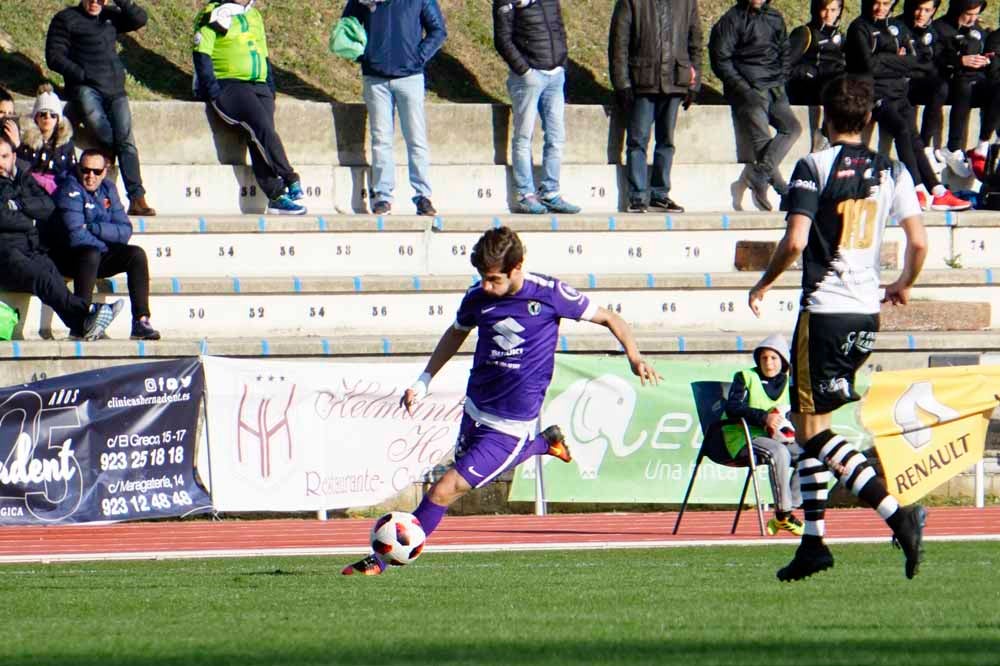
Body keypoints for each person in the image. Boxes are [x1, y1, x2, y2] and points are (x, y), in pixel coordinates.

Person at [342, 226, 661, 575]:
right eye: (482, 277)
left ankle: (382, 562)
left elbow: (610, 317)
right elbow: (456, 333)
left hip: (511, 424)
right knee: (452, 486)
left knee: (442, 491)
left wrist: (634, 356)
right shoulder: (477, 296)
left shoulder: (551, 294)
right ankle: (543, 443)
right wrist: (424, 380)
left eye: (494, 279)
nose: (486, 286)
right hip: (475, 407)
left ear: (518, 266)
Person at [748, 76, 928, 581]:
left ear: (823, 119)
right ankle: (813, 543)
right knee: (815, 426)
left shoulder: (814, 165)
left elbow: (796, 241)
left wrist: (763, 284)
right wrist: (903, 285)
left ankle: (897, 512)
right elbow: (918, 245)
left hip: (824, 310)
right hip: (865, 313)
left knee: (808, 429)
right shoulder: (893, 169)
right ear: (869, 121)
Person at [845, 0, 971, 211]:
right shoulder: (859, 27)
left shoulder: (894, 27)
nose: (880, 8)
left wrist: (888, 60)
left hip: (898, 92)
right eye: (876, 3)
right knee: (902, 130)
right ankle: (916, 188)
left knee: (915, 139)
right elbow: (869, 65)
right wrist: (895, 60)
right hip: (873, 93)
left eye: (886, 3)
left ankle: (938, 191)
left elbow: (919, 61)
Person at [0, 135, 123, 341]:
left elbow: (47, 205)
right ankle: (89, 313)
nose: (0, 163)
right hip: (5, 253)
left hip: (32, 247)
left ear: (13, 156)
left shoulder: (23, 177)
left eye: (3, 156)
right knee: (43, 278)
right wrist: (31, 220)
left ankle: (81, 325)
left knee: (53, 277)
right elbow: (2, 217)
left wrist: (20, 206)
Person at [192, 0, 307, 216]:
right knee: (261, 127)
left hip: (259, 85)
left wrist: (270, 88)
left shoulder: (254, 15)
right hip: (230, 83)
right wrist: (212, 89)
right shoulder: (214, 13)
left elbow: (263, 53)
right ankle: (290, 178)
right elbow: (201, 51)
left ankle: (275, 197)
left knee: (260, 136)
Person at [45, 0, 156, 216]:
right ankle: (109, 168)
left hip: (115, 89)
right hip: (86, 88)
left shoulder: (110, 16)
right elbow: (54, 57)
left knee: (127, 142)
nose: (96, 2)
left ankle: (137, 198)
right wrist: (83, 75)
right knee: (105, 132)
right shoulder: (66, 19)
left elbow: (139, 18)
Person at [342, 0, 447, 216]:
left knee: (416, 139)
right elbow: (347, 25)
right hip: (375, 78)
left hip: (410, 77)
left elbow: (438, 30)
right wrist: (365, 55)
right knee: (381, 139)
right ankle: (382, 196)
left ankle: (423, 196)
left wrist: (418, 57)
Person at [49, 149, 159, 340]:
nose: (90, 176)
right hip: (66, 257)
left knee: (136, 255)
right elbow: (76, 235)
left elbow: (125, 230)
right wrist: (106, 240)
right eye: (85, 170)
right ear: (78, 169)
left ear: (104, 172)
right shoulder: (69, 188)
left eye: (96, 171)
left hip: (96, 255)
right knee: (90, 253)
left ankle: (141, 321)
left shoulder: (108, 188)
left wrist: (95, 228)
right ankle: (79, 322)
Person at [609, 0, 702, 214]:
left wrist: (694, 83)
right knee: (637, 141)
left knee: (666, 141)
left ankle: (660, 195)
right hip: (643, 81)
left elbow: (695, 41)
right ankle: (638, 196)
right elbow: (619, 43)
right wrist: (622, 83)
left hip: (675, 82)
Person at [710, 0, 802, 212]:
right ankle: (782, 190)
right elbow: (720, 60)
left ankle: (758, 176)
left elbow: (785, 51)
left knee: (793, 128)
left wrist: (781, 77)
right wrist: (744, 89)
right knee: (763, 141)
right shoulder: (731, 20)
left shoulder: (775, 17)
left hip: (775, 86)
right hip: (748, 89)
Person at [493, 0, 581, 215]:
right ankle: (526, 194)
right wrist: (524, 71)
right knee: (524, 137)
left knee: (556, 136)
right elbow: (502, 39)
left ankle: (550, 192)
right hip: (529, 77)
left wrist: (562, 62)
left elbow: (558, 26)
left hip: (555, 76)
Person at [723, 333, 804, 536]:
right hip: (745, 437)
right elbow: (733, 408)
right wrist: (763, 418)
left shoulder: (790, 383)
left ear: (783, 360)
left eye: (774, 358)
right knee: (780, 453)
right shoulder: (745, 377)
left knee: (810, 456)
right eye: (764, 358)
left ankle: (785, 512)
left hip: (776, 438)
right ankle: (785, 513)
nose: (768, 363)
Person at [934, 0, 1000, 178]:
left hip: (975, 80)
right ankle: (953, 147)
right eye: (968, 14)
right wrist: (960, 61)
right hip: (949, 82)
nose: (972, 19)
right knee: (965, 85)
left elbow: (985, 55)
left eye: (976, 14)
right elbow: (934, 58)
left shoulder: (977, 30)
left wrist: (986, 61)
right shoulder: (940, 27)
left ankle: (982, 144)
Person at [787, 0, 846, 150]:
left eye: (833, 10)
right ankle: (824, 136)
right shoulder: (805, 33)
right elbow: (784, 67)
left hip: (831, 86)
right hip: (807, 87)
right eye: (824, 10)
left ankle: (833, 135)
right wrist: (809, 71)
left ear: (839, 11)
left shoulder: (840, 37)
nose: (828, 15)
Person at [899, 0, 949, 164]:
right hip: (901, 83)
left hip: (921, 81)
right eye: (918, 9)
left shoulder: (932, 31)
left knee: (940, 87)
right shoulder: (898, 27)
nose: (921, 14)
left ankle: (926, 145)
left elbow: (938, 60)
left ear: (934, 11)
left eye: (927, 10)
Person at [17, 85, 77, 195]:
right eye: (43, 114)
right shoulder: (26, 141)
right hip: (29, 188)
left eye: (53, 115)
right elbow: (21, 169)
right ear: (36, 117)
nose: (47, 118)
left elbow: (72, 171)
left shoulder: (66, 144)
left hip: (59, 189)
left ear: (58, 119)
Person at [0, 87, 21, 152]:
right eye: (1, 112)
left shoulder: (16, 134)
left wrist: (16, 145)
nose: (6, 117)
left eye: (10, 113)